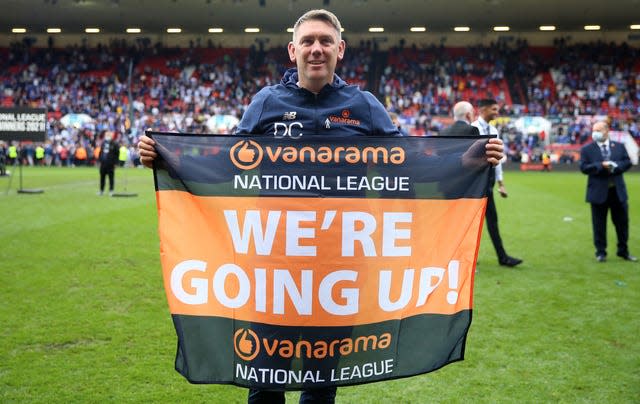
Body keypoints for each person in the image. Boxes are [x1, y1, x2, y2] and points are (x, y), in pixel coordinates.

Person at [138, 9, 505, 404]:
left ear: (340, 49)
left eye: (325, 41)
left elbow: (409, 163)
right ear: (292, 50)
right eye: (309, 41)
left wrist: (467, 160)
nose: (317, 49)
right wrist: (167, 158)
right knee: (263, 379)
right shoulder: (266, 103)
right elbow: (227, 164)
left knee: (322, 382)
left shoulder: (363, 105)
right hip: (272, 265)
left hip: (338, 270)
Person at [471, 99, 523, 267]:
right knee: (471, 223)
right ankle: (467, 257)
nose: (496, 112)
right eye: (494, 109)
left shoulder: (493, 130)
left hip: (488, 184)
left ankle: (502, 257)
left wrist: (500, 183)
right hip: (473, 185)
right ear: (483, 109)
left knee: (492, 221)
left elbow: (497, 159)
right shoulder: (472, 129)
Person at [580, 121, 636, 262]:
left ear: (606, 131)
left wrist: (615, 167)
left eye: (598, 130)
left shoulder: (619, 147)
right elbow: (584, 167)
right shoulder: (587, 149)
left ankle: (623, 251)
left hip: (617, 191)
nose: (595, 133)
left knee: (622, 224)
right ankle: (601, 252)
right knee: (599, 224)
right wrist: (601, 166)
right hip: (598, 192)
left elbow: (627, 162)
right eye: (594, 130)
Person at [97, 131, 119, 196]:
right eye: (106, 135)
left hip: (111, 163)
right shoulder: (103, 143)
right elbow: (100, 152)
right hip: (103, 163)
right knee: (102, 177)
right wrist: (99, 161)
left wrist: (116, 163)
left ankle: (111, 190)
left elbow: (117, 154)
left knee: (111, 177)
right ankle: (101, 190)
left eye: (108, 135)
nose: (107, 136)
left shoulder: (114, 144)